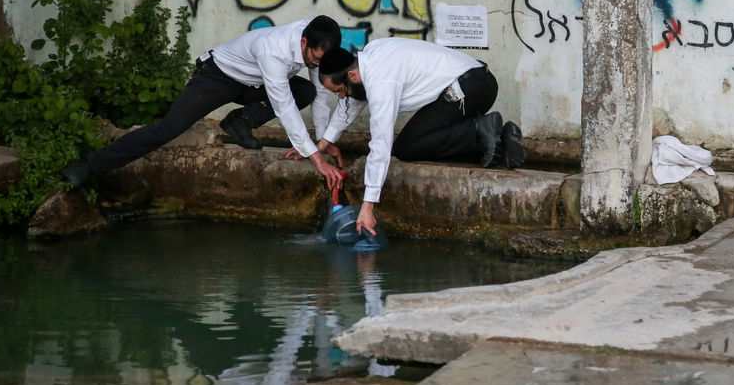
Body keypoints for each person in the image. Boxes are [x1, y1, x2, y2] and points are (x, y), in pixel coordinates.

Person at [61, 16, 346, 189]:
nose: (315, 64)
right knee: (167, 129)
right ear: (304, 42)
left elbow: (321, 93)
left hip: (252, 84)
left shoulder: (315, 42)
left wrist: (322, 141)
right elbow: (282, 105)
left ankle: (239, 122)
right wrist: (315, 158)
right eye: (314, 59)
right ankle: (88, 166)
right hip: (218, 77)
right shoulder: (275, 51)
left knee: (306, 91)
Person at [313, 39, 525, 236]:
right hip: (476, 82)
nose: (341, 97)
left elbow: (381, 143)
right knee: (412, 142)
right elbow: (350, 104)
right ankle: (500, 146)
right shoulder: (367, 59)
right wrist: (321, 145)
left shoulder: (381, 80)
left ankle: (479, 130)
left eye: (340, 91)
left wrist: (367, 206)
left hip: (471, 88)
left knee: (408, 147)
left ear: (352, 76)